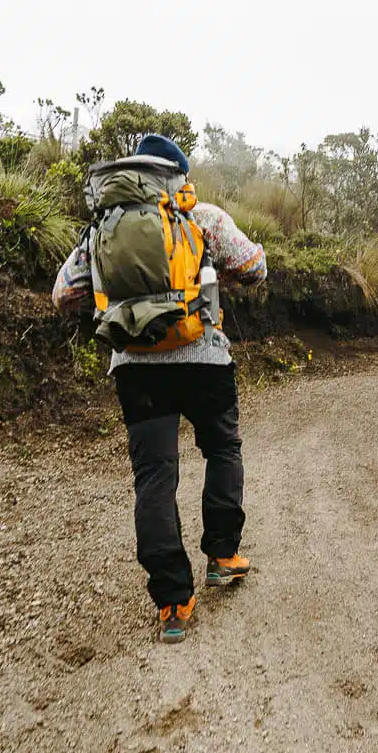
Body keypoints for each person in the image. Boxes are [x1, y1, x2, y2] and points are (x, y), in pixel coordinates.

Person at [52, 134, 269, 643]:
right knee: (222, 449)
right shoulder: (203, 218)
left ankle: (173, 602)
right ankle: (221, 554)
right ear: (177, 177)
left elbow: (63, 295)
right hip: (205, 361)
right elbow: (255, 267)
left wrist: (121, 308)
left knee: (155, 476)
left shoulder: (101, 227)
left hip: (135, 367)